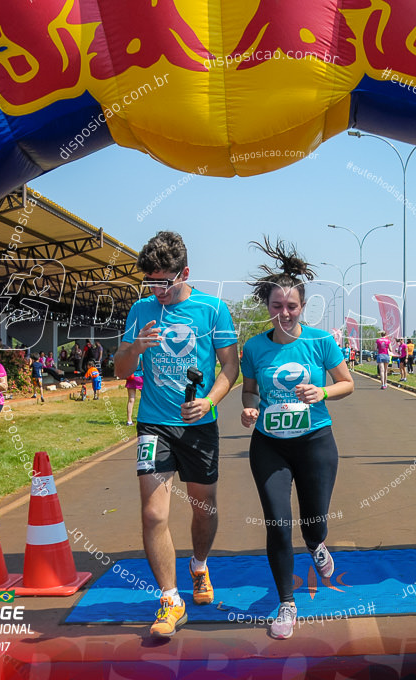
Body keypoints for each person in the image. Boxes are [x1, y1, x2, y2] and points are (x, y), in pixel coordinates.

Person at [113, 230, 240, 639]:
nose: (158, 290)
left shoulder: (213, 309)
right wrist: (136, 349)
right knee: (153, 513)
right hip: (153, 422)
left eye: (164, 281)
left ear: (185, 272)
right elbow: (119, 369)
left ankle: (199, 567)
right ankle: (170, 599)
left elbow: (230, 368)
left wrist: (211, 401)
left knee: (204, 507)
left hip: (199, 424)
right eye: (151, 282)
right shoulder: (141, 309)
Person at [239, 238, 354, 639]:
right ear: (267, 307)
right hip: (269, 443)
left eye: (291, 306)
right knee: (277, 522)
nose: (284, 313)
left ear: (302, 307)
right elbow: (248, 390)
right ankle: (287, 603)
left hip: (315, 441)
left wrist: (321, 392)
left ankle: (318, 545)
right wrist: (250, 407)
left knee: (314, 521)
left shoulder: (320, 342)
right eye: (276, 306)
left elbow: (347, 384)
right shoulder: (254, 346)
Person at [125, 356, 144, 426]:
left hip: (131, 377)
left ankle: (129, 420)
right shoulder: (141, 355)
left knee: (131, 399)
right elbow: (143, 368)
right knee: (145, 398)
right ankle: (143, 417)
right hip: (139, 377)